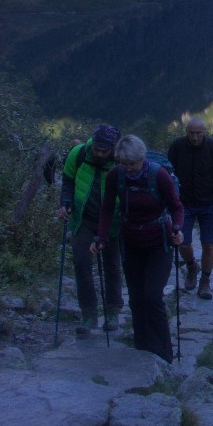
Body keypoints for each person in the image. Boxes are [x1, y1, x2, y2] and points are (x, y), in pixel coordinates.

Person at [92, 134, 184, 363]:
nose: (129, 168)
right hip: (131, 242)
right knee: (135, 298)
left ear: (142, 158)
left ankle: (164, 351)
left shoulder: (159, 175)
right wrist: (101, 237)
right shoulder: (116, 175)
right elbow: (106, 208)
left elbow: (176, 206)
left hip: (159, 243)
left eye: (133, 164)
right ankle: (141, 345)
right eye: (124, 164)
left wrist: (178, 229)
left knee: (152, 295)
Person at [59, 125, 123, 335]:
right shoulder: (78, 155)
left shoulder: (121, 160)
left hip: (112, 220)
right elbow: (68, 179)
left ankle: (113, 310)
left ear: (112, 149)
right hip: (83, 218)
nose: (99, 154)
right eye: (97, 149)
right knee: (81, 262)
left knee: (111, 264)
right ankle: (88, 313)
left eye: (105, 151)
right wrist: (65, 201)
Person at [167, 117, 213, 300]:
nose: (195, 137)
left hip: (208, 204)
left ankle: (205, 281)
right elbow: (168, 174)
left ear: (204, 132)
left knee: (208, 243)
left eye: (198, 133)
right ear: (186, 132)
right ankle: (191, 266)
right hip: (183, 204)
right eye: (191, 133)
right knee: (182, 241)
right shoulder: (177, 146)